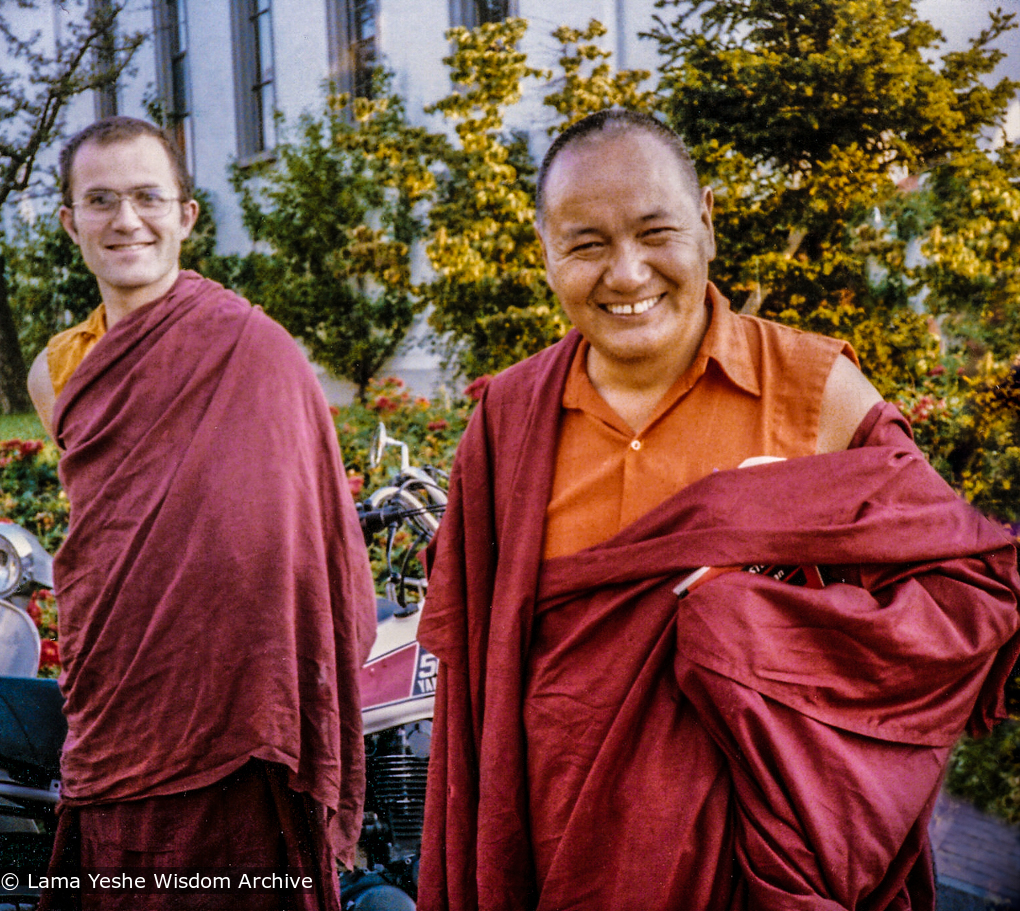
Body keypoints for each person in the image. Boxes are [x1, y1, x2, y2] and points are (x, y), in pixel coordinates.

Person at [415, 109, 1020, 911]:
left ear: (708, 221)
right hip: (560, 855)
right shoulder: (507, 423)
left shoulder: (814, 391)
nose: (627, 274)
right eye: (587, 244)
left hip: (758, 869)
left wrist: (754, 629)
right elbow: (475, 688)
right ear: (548, 254)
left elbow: (973, 595)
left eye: (655, 232)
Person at [27, 116, 377, 911]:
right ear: (69, 221)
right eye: (102, 199)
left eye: (149, 197)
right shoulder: (58, 369)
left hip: (241, 706)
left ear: (186, 214)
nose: (126, 220)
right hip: (119, 684)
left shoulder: (258, 350)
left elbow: (308, 526)